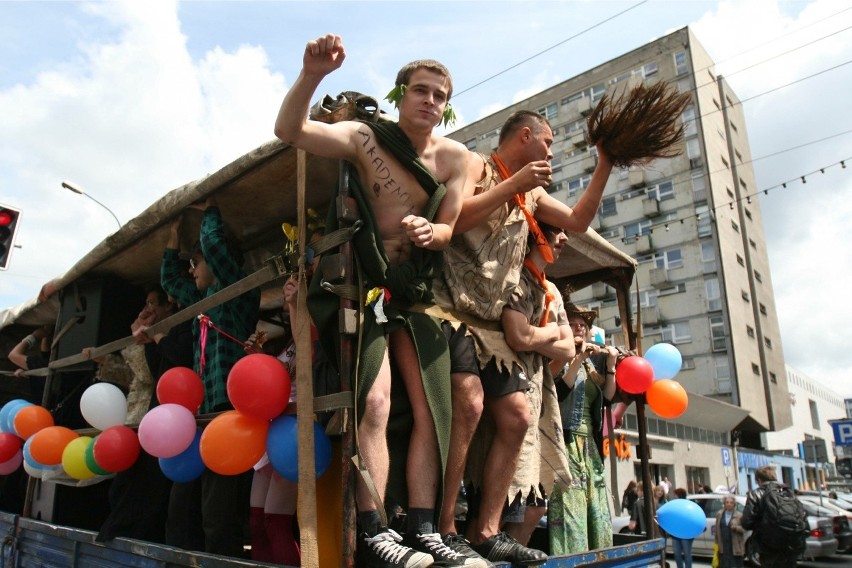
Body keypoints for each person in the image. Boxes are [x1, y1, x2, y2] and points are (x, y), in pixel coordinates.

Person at [274, 33, 474, 568]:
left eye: (439, 95)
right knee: (376, 403)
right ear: (401, 94)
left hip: (417, 292)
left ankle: (426, 528)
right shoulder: (366, 138)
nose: (430, 101)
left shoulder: (460, 160)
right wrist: (311, 73)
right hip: (367, 289)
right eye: (421, 91)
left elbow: (451, 228)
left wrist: (433, 233)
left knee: (436, 409)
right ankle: (375, 529)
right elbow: (289, 130)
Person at [433, 109, 614, 566]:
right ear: (526, 136)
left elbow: (576, 220)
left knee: (516, 416)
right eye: (548, 143)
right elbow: (453, 221)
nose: (551, 152)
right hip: (452, 312)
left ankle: (488, 531)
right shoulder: (477, 165)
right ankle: (444, 526)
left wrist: (605, 164)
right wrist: (512, 186)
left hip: (494, 328)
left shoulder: (534, 192)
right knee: (469, 406)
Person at [161, 198, 260, 558]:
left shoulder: (236, 291)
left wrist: (210, 210)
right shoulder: (201, 300)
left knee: (218, 517)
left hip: (229, 417)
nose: (192, 271)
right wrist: (174, 235)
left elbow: (215, 247)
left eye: (195, 263)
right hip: (202, 418)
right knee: (183, 509)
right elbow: (170, 279)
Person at [97, 286, 193, 544]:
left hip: (157, 417)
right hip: (141, 413)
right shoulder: (157, 336)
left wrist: (142, 338)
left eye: (153, 302)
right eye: (146, 302)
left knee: (145, 486)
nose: (147, 308)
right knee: (124, 484)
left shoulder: (174, 332)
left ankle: (131, 538)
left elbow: (147, 374)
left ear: (169, 306)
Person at [498, 222, 574, 547]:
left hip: (538, 396)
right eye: (555, 231)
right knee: (505, 500)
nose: (564, 238)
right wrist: (551, 334)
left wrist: (535, 337)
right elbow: (515, 335)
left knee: (535, 504)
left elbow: (569, 348)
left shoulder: (552, 291)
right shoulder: (512, 275)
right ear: (536, 233)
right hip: (506, 386)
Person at [547, 303, 618, 555]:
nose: (579, 329)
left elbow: (607, 398)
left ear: (589, 332)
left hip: (590, 448)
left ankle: (601, 558)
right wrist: (578, 358)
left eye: (583, 326)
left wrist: (610, 364)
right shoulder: (560, 358)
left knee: (598, 511)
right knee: (571, 510)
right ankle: (570, 558)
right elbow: (559, 391)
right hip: (566, 443)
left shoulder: (591, 366)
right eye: (573, 324)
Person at [741, 465, 805, 568]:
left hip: (768, 545)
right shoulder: (789, 492)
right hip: (792, 543)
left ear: (759, 480)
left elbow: (746, 522)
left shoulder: (757, 493)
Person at [7, 324, 52, 402]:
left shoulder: (43, 364)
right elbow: (45, 353)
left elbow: (13, 355)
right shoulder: (47, 362)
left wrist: (34, 336)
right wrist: (45, 334)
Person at [715, 494, 744, 568]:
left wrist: (736, 528)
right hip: (723, 546)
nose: (729, 504)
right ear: (724, 503)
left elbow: (745, 529)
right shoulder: (719, 514)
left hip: (735, 546)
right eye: (727, 502)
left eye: (731, 502)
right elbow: (717, 531)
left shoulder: (739, 515)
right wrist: (716, 544)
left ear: (734, 504)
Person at [670, 488, 695, 568]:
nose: (673, 496)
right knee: (677, 554)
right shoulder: (673, 505)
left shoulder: (688, 505)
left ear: (679, 495)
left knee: (687, 554)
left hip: (686, 534)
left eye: (675, 495)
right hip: (676, 534)